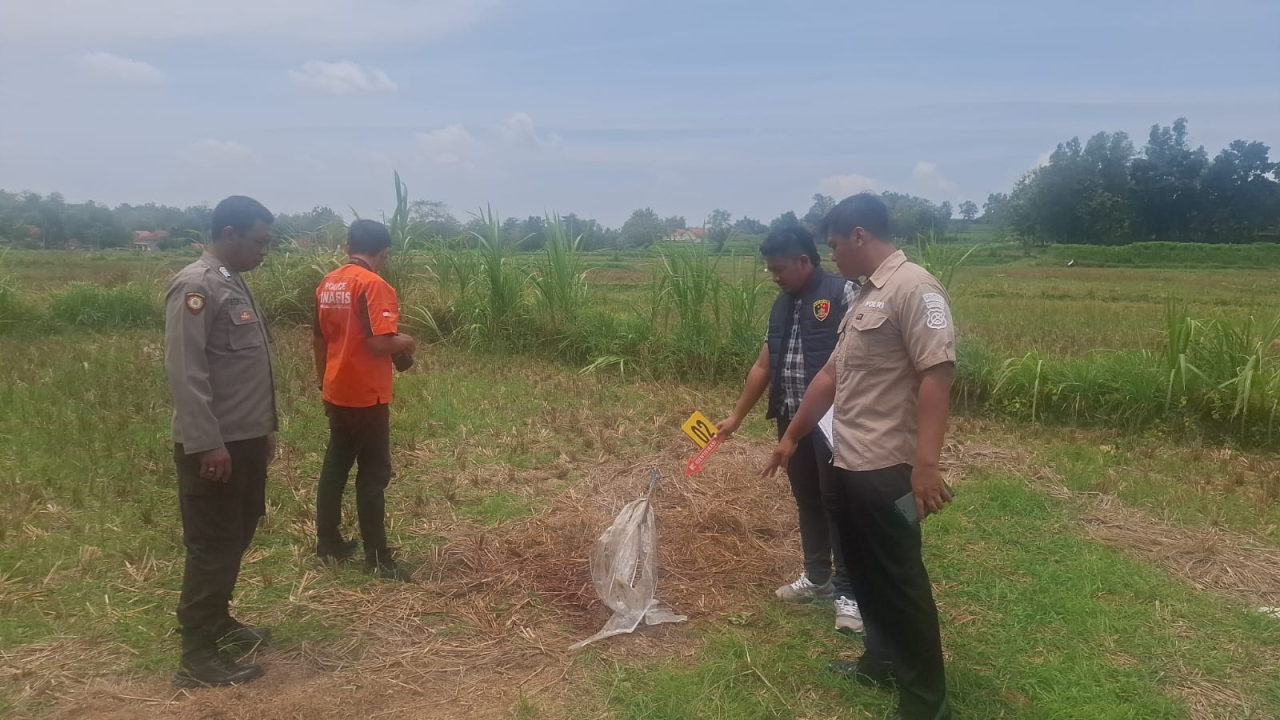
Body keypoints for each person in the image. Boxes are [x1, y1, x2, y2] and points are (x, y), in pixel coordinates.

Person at [763, 193, 956, 720]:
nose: (833, 257)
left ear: (859, 236)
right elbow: (830, 377)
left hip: (888, 468)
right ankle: (881, 659)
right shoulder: (865, 296)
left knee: (900, 580)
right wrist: (791, 438)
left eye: (834, 245)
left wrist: (927, 464)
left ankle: (925, 703)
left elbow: (937, 374)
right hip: (847, 461)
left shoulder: (915, 288)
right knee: (866, 574)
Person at [716, 224, 863, 632]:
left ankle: (849, 591)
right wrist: (737, 416)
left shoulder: (842, 292)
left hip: (834, 423)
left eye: (780, 269)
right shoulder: (781, 306)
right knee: (808, 500)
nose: (775, 277)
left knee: (839, 504)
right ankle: (817, 578)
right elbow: (764, 365)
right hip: (790, 421)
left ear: (803, 260)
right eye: (770, 270)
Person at [164, 195, 278, 688]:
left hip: (246, 439)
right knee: (211, 544)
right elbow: (185, 371)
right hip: (216, 446)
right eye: (258, 241)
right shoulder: (196, 286)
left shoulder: (234, 283)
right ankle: (197, 655)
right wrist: (207, 443)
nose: (263, 251)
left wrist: (264, 434)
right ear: (228, 234)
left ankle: (218, 620)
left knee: (237, 534)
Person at [313, 219, 416, 581]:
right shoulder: (375, 285)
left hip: (337, 389)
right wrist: (406, 342)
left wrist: (323, 384)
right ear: (384, 253)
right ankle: (378, 557)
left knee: (336, 466)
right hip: (367, 395)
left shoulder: (328, 282)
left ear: (347, 248)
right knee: (373, 475)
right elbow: (379, 343)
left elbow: (320, 341)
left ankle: (328, 541)